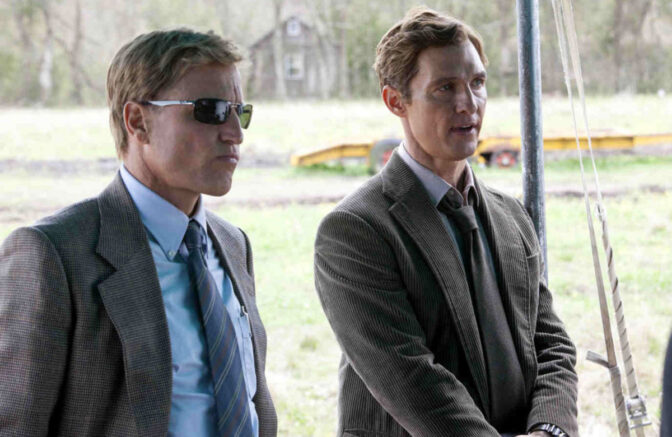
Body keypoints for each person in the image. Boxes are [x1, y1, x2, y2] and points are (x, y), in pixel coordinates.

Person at [314, 7, 578, 437]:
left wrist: (550, 429)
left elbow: (551, 344)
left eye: (477, 83)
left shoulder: (511, 215)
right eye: (444, 88)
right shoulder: (355, 230)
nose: (468, 104)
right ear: (395, 101)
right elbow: (410, 378)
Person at [0, 29, 276, 437]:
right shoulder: (52, 255)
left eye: (240, 111)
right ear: (138, 121)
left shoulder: (233, 245)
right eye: (212, 110)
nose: (235, 132)